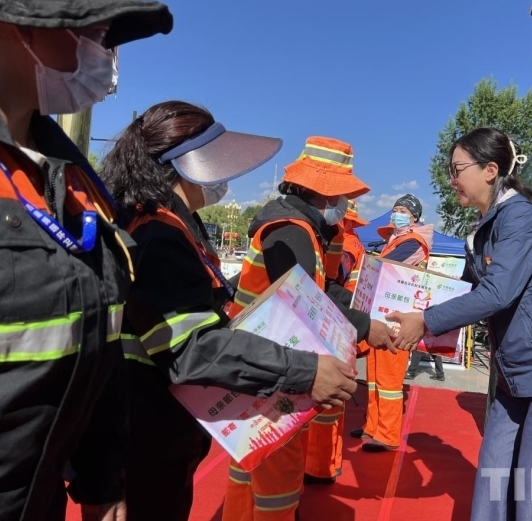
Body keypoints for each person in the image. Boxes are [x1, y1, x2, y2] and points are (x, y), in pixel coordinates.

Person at [0, 0, 172, 520]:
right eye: (91, 29)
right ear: (17, 23)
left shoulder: (78, 182)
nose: (104, 54)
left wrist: (102, 479)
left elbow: (97, 345)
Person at [99, 102, 358, 520]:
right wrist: (305, 370)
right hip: (146, 429)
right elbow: (193, 348)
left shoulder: (163, 221)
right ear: (187, 163)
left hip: (147, 421)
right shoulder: (159, 232)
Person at [388, 127, 532, 520]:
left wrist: (426, 320)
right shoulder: (484, 225)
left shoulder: (519, 216)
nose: (451, 179)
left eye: (457, 169)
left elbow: (496, 293)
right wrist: (409, 297)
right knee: (495, 476)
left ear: (490, 170)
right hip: (516, 368)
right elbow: (468, 290)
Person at [221, 136, 397, 520]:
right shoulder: (292, 231)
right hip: (272, 368)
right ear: (324, 191)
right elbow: (306, 299)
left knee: (250, 468)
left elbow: (323, 287)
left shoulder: (300, 227)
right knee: (278, 477)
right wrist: (366, 326)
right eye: (341, 194)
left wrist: (368, 314)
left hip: (261, 361)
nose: (344, 203)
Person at [353, 194, 434, 452]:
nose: (396, 214)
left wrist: (368, 261)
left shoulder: (415, 241)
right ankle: (372, 426)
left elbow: (386, 266)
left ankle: (387, 435)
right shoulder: (395, 240)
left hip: (399, 320)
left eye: (402, 211)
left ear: (414, 217)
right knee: (374, 377)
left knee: (388, 380)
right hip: (383, 314)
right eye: (395, 209)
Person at [304, 199, 369, 485]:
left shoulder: (345, 243)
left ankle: (320, 466)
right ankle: (327, 463)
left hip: (335, 323)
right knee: (334, 402)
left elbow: (332, 281)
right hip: (344, 323)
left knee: (325, 402)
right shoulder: (348, 240)